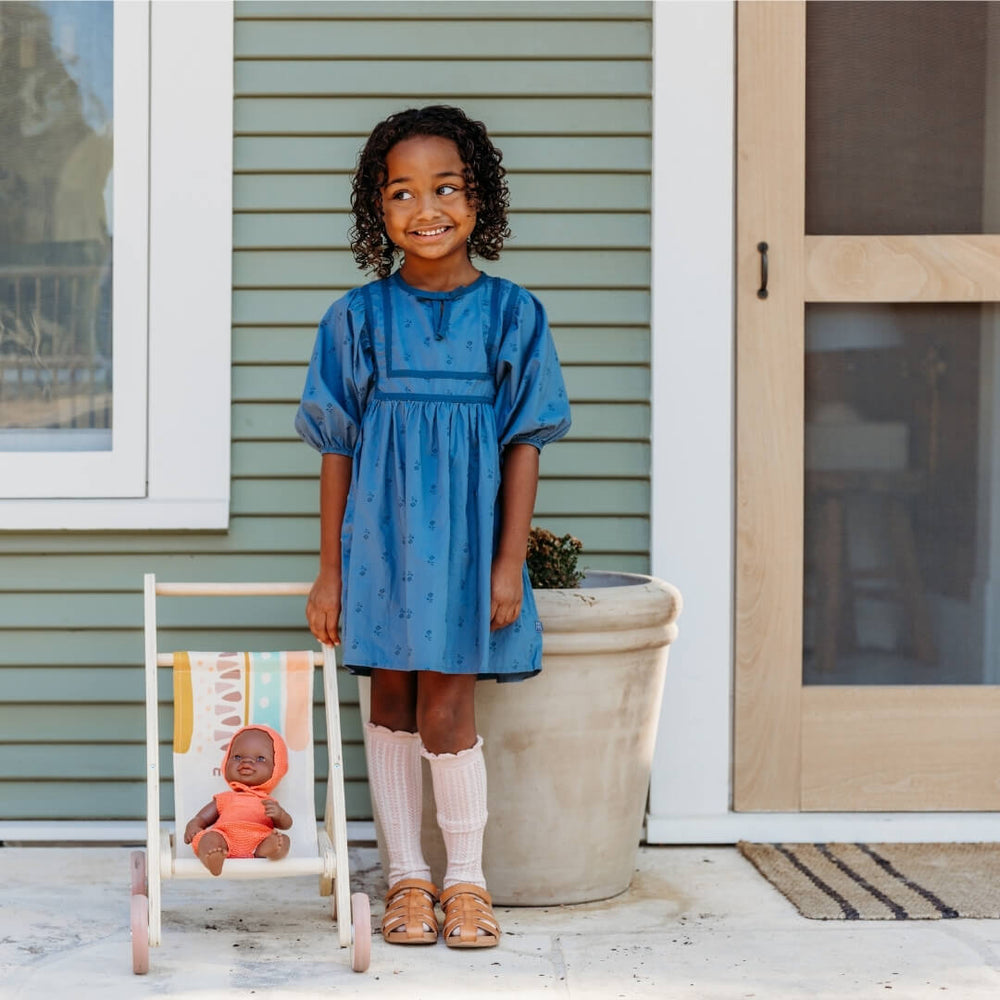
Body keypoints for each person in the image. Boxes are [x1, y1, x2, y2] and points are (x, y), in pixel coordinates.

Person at [295, 105, 571, 949]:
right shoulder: (357, 318)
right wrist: (331, 572)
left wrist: (505, 562)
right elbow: (337, 448)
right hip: (379, 543)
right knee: (391, 698)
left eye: (445, 188)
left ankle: (465, 882)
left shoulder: (512, 314)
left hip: (463, 545)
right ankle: (404, 879)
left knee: (450, 704)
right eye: (402, 193)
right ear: (378, 212)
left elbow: (524, 442)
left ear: (478, 198)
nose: (427, 210)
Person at [184, 724, 292, 876]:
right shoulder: (225, 798)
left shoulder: (268, 802)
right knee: (209, 837)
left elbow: (286, 824)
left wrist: (280, 815)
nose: (246, 762)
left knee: (283, 840)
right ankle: (212, 858)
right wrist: (194, 824)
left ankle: (272, 850)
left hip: (259, 841)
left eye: (260, 758)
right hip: (224, 839)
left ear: (276, 769)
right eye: (237, 757)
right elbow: (202, 818)